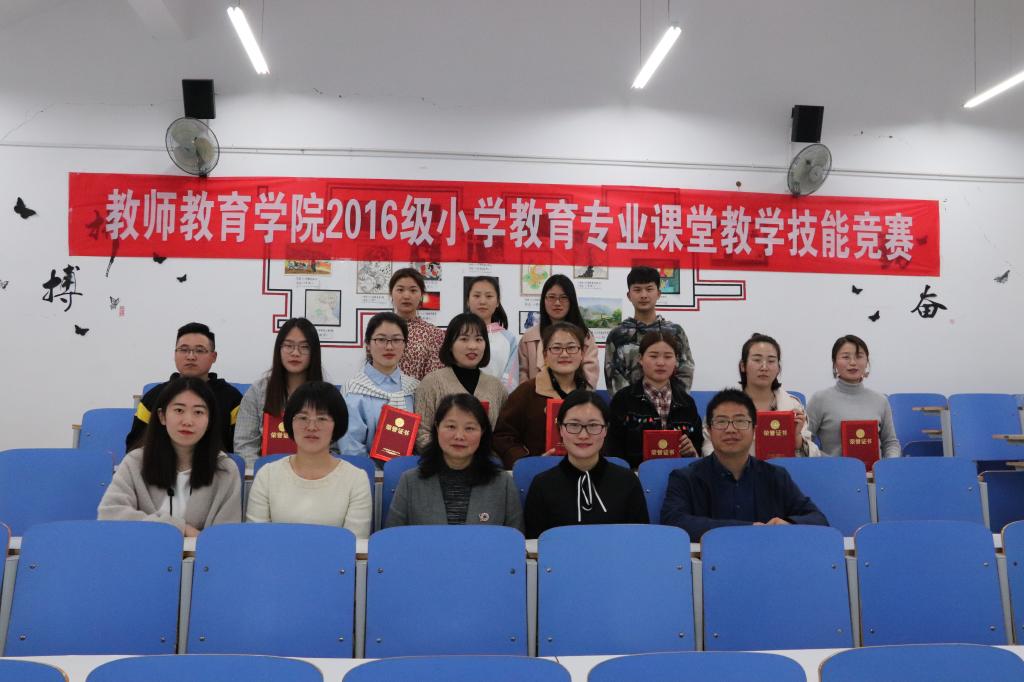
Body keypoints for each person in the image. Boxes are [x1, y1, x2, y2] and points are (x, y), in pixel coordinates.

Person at [661, 389, 828, 540]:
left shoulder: (776, 476)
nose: (731, 429)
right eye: (721, 422)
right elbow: (673, 521)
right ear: (709, 431)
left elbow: (818, 519)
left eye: (740, 421)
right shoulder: (685, 478)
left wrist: (789, 524)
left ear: (755, 430)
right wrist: (747, 529)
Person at [100, 377, 241, 535]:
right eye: (179, 410)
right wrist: (180, 528)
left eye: (198, 412)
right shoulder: (135, 462)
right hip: (141, 549)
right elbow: (109, 515)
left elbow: (225, 538)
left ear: (210, 420)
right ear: (162, 416)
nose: (188, 421)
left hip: (202, 553)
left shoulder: (225, 470)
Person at [246, 381, 372, 538]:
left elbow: (354, 544)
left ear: (337, 424)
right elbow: (257, 539)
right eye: (303, 417)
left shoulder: (356, 480)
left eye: (322, 419)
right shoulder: (267, 475)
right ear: (290, 422)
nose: (311, 427)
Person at [524, 391, 649, 539]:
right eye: (574, 425)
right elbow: (534, 545)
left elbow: (640, 540)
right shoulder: (542, 485)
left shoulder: (628, 482)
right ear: (561, 429)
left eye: (593, 425)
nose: (583, 435)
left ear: (605, 430)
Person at [386, 394, 523, 529]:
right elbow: (392, 538)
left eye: (469, 428)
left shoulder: (503, 483)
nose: (459, 436)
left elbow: (515, 539)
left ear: (482, 432)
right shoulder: (410, 482)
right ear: (437, 427)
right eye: (451, 426)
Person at [125, 322, 242, 452]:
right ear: (175, 354)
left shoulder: (232, 399)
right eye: (184, 350)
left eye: (199, 350)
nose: (191, 357)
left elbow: (240, 450)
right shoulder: (153, 397)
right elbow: (134, 448)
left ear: (213, 357)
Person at [700, 333, 819, 457]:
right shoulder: (721, 405)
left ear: (778, 368)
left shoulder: (793, 406)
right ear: (743, 366)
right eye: (757, 360)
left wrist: (796, 438)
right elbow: (708, 448)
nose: (764, 367)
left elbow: (813, 457)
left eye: (771, 361)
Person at [494, 322, 592, 469]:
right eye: (557, 348)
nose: (564, 354)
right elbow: (502, 436)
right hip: (536, 473)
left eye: (571, 348)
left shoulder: (588, 396)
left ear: (582, 354)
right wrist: (528, 462)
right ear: (545, 355)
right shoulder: (526, 392)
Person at [234, 318, 325, 466]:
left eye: (304, 347)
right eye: (288, 345)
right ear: (279, 349)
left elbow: (334, 447)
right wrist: (261, 473)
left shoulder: (326, 395)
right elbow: (245, 444)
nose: (295, 353)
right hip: (265, 476)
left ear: (314, 352)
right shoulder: (258, 391)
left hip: (312, 474)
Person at [414, 313, 509, 452]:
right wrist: (453, 457)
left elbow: (504, 434)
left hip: (485, 463)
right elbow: (421, 433)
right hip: (440, 463)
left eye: (479, 339)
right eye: (464, 339)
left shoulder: (497, 387)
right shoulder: (431, 383)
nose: (472, 346)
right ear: (450, 345)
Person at [608, 331, 703, 468]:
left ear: (676, 360)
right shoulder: (623, 399)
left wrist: (692, 452)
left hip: (679, 475)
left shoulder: (687, 403)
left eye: (668, 357)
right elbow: (613, 448)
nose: (660, 363)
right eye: (653, 356)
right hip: (633, 475)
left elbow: (698, 447)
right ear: (640, 359)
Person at [604, 266, 695, 395]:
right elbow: (612, 374)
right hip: (629, 405)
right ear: (629, 296)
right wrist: (632, 403)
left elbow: (686, 369)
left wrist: (671, 400)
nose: (644, 295)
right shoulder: (618, 335)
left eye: (649, 289)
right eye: (637, 290)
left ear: (658, 294)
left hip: (670, 403)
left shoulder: (674, 332)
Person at [806, 334, 900, 458]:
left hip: (875, 470)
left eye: (859, 356)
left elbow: (891, 443)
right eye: (846, 357)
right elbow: (805, 441)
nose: (853, 363)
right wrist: (830, 462)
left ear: (867, 361)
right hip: (833, 468)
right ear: (834, 363)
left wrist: (888, 464)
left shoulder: (881, 400)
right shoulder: (819, 399)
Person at [340, 312, 419, 459]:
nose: (389, 347)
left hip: (410, 470)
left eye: (396, 340)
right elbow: (351, 447)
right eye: (381, 339)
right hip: (365, 471)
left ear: (405, 345)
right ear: (368, 345)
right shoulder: (354, 390)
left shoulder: (414, 389)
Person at [518, 274, 599, 387]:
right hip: (537, 397)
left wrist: (575, 396)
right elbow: (523, 375)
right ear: (543, 300)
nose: (557, 303)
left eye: (564, 297)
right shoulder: (529, 338)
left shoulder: (585, 336)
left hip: (576, 397)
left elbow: (590, 376)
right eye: (551, 297)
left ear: (571, 300)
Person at [390, 267, 445, 381]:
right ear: (391, 293)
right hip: (380, 392)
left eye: (413, 290)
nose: (406, 296)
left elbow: (434, 380)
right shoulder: (379, 330)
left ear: (421, 295)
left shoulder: (435, 334)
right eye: (400, 290)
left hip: (420, 392)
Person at [465, 275, 519, 389]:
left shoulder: (509, 339)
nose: (482, 301)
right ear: (468, 301)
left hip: (497, 398)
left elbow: (510, 379)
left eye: (489, 296)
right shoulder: (455, 334)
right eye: (476, 295)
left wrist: (496, 396)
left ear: (498, 302)